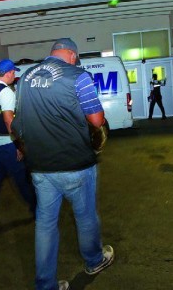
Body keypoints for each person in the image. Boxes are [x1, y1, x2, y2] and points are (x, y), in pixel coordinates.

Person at [12, 38, 114, 290]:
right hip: (75, 164)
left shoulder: (25, 78)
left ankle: (45, 285)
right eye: (75, 58)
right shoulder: (78, 76)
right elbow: (97, 119)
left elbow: (17, 125)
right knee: (86, 217)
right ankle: (93, 260)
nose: (76, 61)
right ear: (70, 54)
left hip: (40, 168)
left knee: (45, 226)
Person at [0, 59, 36, 233]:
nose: (15, 75)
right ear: (9, 72)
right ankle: (38, 211)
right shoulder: (6, 92)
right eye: (14, 72)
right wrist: (18, 145)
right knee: (22, 181)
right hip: (7, 144)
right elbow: (8, 120)